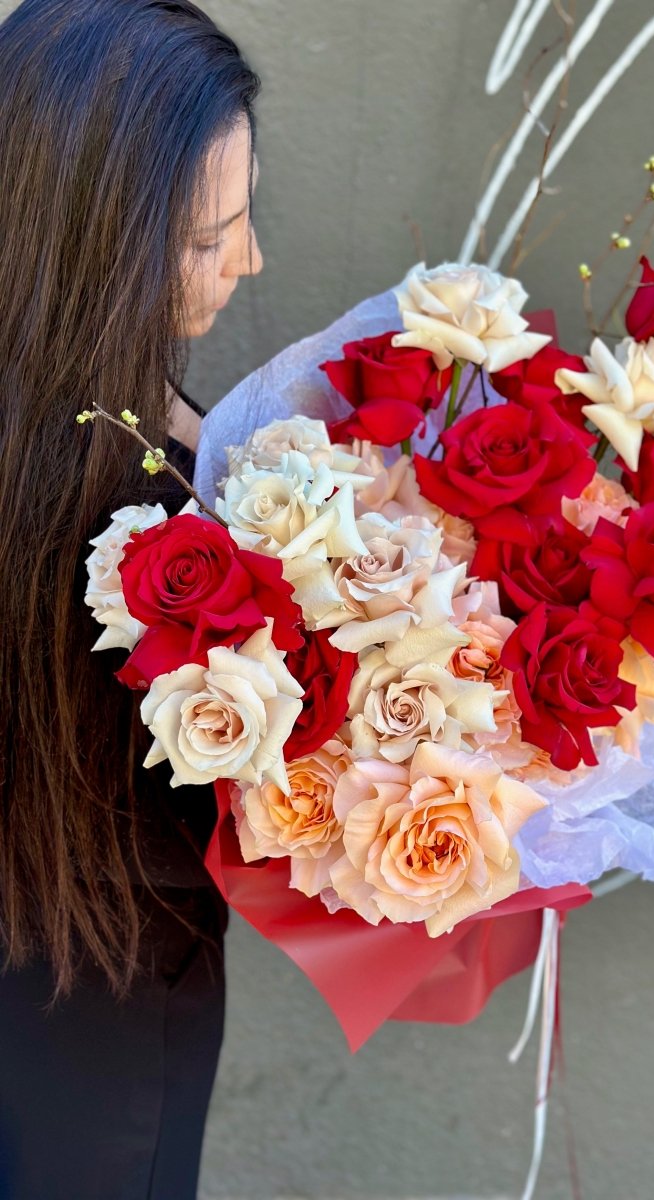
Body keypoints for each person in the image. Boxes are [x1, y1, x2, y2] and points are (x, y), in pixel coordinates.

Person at [0, 2, 263, 1196]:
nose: (248, 259)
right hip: (93, 1038)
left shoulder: (118, 425)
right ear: (93, 247)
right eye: (216, 233)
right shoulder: (123, 509)